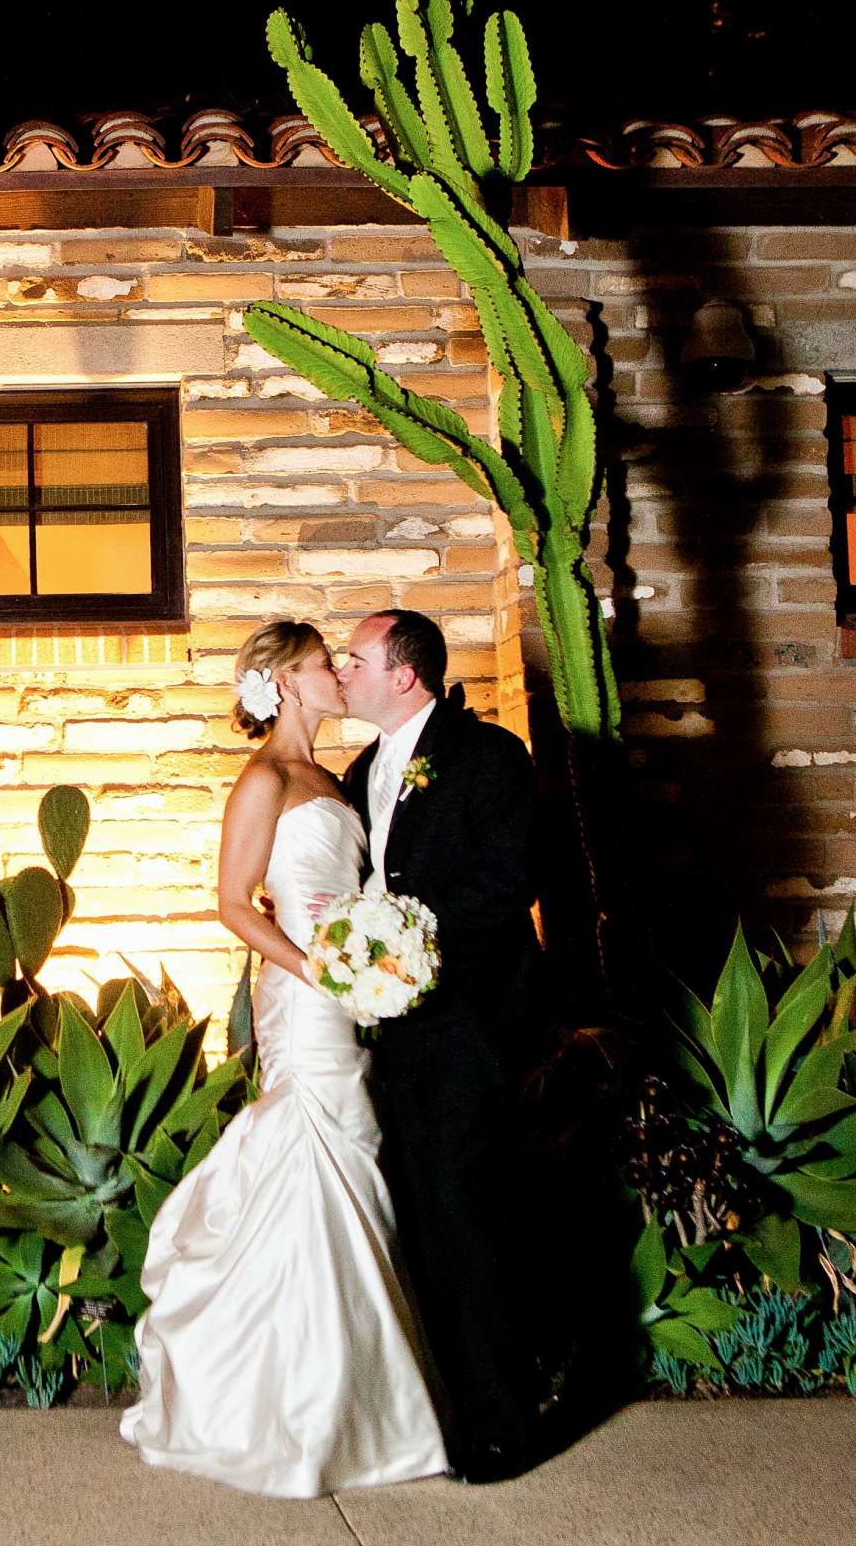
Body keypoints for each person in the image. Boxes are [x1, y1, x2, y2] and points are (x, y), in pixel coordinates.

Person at [119, 619, 449, 1499]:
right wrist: (320, 970)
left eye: (343, 664)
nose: (341, 674)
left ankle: (345, 1402)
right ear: (287, 683)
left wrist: (378, 965)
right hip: (304, 999)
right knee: (315, 1147)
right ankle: (306, 1409)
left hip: (347, 989)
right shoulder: (264, 778)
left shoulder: (332, 779)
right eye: (322, 666)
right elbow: (233, 903)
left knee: (350, 1158)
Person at [338, 608, 544, 1483]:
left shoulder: (489, 758)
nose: (343, 672)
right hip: (388, 1034)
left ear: (405, 675)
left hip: (469, 1026)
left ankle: (506, 1424)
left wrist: (405, 939)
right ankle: (438, 1413)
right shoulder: (356, 771)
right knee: (414, 1217)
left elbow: (509, 880)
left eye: (356, 659)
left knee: (469, 1218)